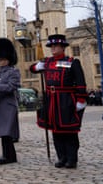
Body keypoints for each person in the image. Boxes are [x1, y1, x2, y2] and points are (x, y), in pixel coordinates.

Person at [30, 34, 87, 169]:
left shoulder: (72, 62)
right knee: (55, 130)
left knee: (69, 130)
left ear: (62, 47)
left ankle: (72, 159)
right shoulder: (47, 62)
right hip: (51, 100)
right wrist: (37, 66)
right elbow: (32, 69)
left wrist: (81, 99)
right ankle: (61, 157)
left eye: (56, 46)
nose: (53, 48)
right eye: (51, 46)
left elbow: (80, 82)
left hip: (66, 99)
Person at [0, 38, 20, 165]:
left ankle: (10, 156)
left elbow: (13, 86)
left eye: (4, 59)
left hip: (8, 105)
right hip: (0, 105)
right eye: (0, 60)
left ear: (9, 59)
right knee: (2, 132)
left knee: (7, 132)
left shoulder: (13, 71)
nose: (1, 62)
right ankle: (6, 155)